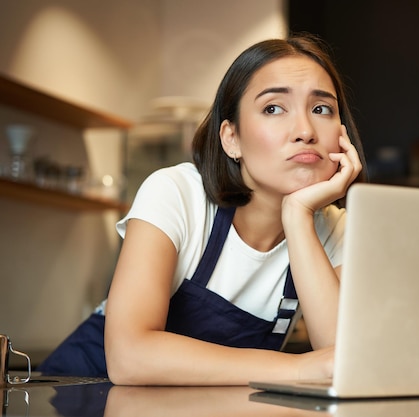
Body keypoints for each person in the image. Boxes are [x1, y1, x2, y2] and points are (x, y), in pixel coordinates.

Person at [37, 33, 367, 385]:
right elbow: (128, 356)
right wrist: (298, 368)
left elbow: (344, 362)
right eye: (273, 108)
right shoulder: (177, 193)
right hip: (80, 392)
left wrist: (299, 215)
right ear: (231, 138)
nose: (305, 130)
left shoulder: (334, 228)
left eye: (321, 109)